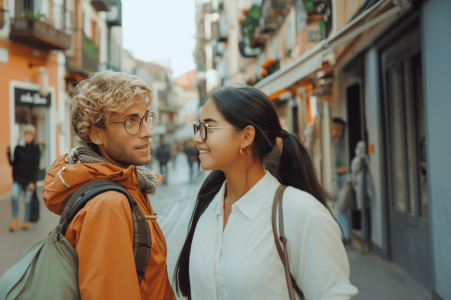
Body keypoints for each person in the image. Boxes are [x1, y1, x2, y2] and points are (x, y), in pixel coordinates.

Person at [174, 87, 358, 299]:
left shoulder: (303, 213)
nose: (197, 137)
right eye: (198, 127)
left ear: (246, 136)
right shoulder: (208, 207)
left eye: (208, 127)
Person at [42, 71, 175, 300]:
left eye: (145, 118)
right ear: (96, 135)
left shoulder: (128, 183)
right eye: (131, 121)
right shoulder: (108, 205)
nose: (148, 132)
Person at [7, 124, 41, 231]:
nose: (28, 136)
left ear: (33, 136)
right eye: (26, 134)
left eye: (30, 134)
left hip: (29, 180)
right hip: (18, 178)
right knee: (14, 196)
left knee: (27, 201)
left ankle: (26, 220)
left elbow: (36, 167)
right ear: (24, 135)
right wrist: (8, 154)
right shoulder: (18, 148)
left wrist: (33, 182)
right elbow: (14, 163)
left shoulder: (36, 149)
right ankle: (15, 219)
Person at [331, 117, 351, 244]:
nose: (335, 132)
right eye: (333, 129)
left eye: (338, 129)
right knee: (339, 207)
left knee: (341, 207)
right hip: (340, 178)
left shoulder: (345, 143)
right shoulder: (337, 142)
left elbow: (345, 164)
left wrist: (338, 172)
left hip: (345, 178)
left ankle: (345, 236)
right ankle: (344, 234)